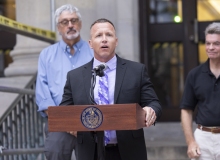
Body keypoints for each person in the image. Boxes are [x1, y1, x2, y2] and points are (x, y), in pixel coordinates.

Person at [59, 18, 162, 160]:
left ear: (116, 41)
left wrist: (150, 110)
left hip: (128, 150)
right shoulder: (75, 76)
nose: (104, 39)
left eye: (109, 35)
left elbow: (154, 103)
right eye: (98, 35)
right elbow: (65, 110)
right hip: (90, 151)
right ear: (90, 43)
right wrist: (72, 125)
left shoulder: (136, 71)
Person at [35, 4, 93, 160]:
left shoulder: (94, 53)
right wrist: (67, 122)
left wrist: (83, 121)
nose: (70, 25)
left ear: (80, 24)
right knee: (55, 153)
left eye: (74, 20)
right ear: (58, 28)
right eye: (64, 22)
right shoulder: (46, 55)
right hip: (58, 123)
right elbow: (43, 94)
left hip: (91, 121)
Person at [180, 22, 220, 160]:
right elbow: (186, 110)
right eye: (208, 43)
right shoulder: (194, 74)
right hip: (202, 139)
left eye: (216, 44)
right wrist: (190, 142)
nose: (210, 48)